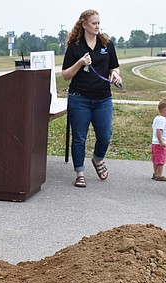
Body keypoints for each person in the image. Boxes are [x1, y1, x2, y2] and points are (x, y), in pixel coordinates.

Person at [61, 9, 122, 188]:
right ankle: (80, 172)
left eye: (98, 23)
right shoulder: (75, 47)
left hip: (103, 99)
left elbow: (114, 67)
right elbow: (65, 75)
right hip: (79, 98)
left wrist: (116, 75)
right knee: (79, 137)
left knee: (105, 135)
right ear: (84, 25)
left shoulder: (107, 44)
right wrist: (80, 63)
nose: (97, 26)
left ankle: (97, 159)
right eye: (94, 23)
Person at [151, 98, 166, 181]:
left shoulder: (157, 118)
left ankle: (155, 173)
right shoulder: (162, 120)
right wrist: (161, 141)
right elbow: (159, 130)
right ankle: (159, 174)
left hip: (154, 143)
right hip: (160, 144)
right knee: (161, 159)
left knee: (155, 158)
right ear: (165, 110)